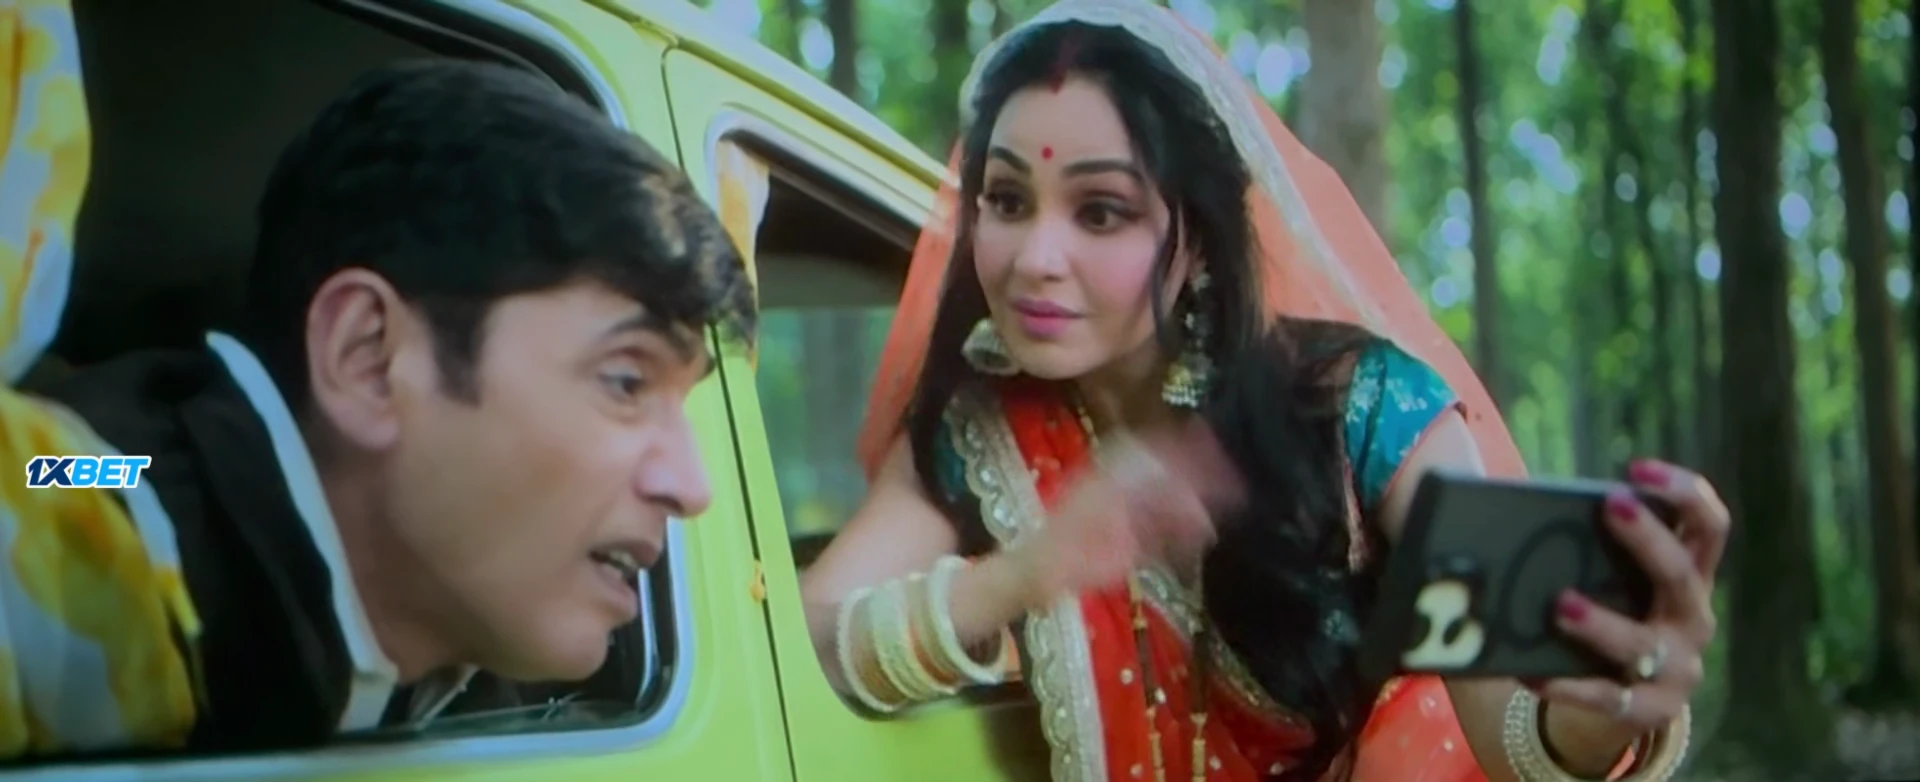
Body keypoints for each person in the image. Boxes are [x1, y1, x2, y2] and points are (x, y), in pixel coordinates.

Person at [799, 1, 1730, 780]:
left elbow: (1512, 730)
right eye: (1007, 201)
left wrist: (1601, 710)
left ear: (1199, 240)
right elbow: (803, 637)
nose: (1035, 257)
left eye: (1101, 211)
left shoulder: (1367, 411)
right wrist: (1025, 574)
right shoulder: (981, 432)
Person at [0, 57, 754, 757]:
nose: (693, 487)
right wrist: (95, 473)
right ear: (367, 357)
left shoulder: (468, 629)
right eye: (626, 382)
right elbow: (66, 471)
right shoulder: (80, 526)